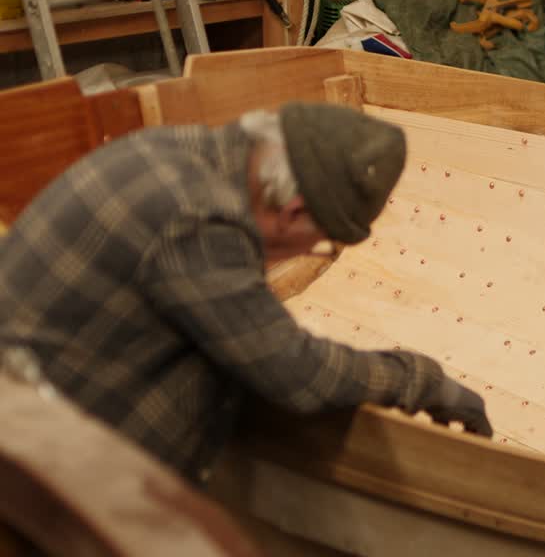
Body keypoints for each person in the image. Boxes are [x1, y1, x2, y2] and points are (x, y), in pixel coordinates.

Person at [0, 101, 491, 484]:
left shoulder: (189, 153)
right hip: (31, 461)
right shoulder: (200, 219)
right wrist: (421, 381)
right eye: (322, 243)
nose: (314, 251)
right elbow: (297, 376)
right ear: (294, 211)